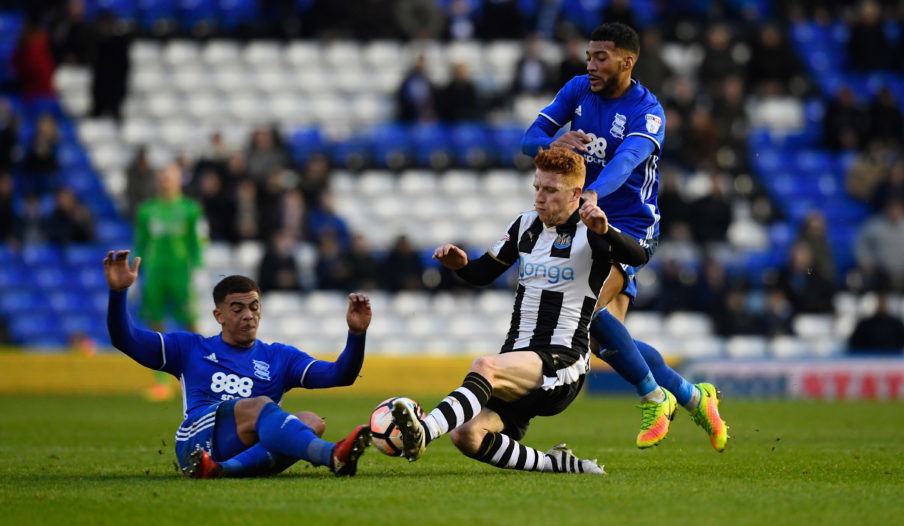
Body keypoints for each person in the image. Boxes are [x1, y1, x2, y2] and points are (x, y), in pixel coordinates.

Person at [520, 23, 728, 451]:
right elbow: (529, 140)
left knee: (581, 312)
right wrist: (554, 140)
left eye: (601, 57)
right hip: (583, 223)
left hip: (629, 228)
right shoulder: (578, 90)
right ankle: (694, 397)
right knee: (606, 337)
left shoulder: (646, 110)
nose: (591, 65)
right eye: (589, 56)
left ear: (626, 62)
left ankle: (656, 399)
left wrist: (592, 192)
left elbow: (628, 160)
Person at [390, 148, 645, 473]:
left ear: (575, 194)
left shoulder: (591, 231)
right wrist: (461, 265)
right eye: (537, 187)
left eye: (550, 190)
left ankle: (422, 432)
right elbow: (482, 273)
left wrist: (606, 231)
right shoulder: (526, 225)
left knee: (485, 366)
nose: (540, 197)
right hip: (520, 359)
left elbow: (638, 257)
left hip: (562, 361)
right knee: (467, 434)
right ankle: (558, 466)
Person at [104, 250, 372, 478]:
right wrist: (118, 294)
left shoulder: (279, 357)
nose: (248, 316)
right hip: (196, 441)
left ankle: (222, 470)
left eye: (254, 307)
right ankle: (331, 454)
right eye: (238, 309)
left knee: (311, 421)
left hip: (243, 443)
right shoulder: (189, 348)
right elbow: (126, 338)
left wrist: (357, 335)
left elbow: (340, 375)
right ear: (219, 315)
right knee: (261, 405)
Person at [134, 164, 205, 401]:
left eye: (170, 177)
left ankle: (203, 374)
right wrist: (135, 273)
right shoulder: (147, 210)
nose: (165, 181)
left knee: (191, 323)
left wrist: (199, 270)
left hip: (181, 273)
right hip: (155, 273)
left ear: (179, 181)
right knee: (156, 326)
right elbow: (141, 243)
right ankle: (161, 382)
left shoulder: (190, 209)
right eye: (162, 177)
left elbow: (197, 242)